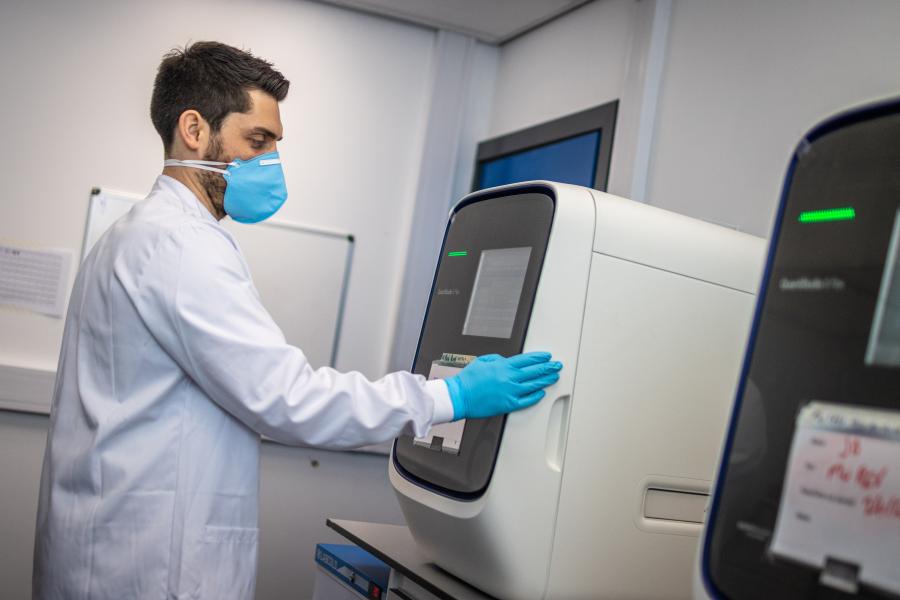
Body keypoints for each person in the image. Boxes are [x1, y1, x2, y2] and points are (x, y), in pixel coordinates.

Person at [32, 41, 562, 599]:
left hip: (112, 547)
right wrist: (447, 398)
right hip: (145, 566)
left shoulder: (133, 236)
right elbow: (288, 399)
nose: (270, 164)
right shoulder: (180, 245)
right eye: (256, 142)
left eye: (274, 146)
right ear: (193, 129)